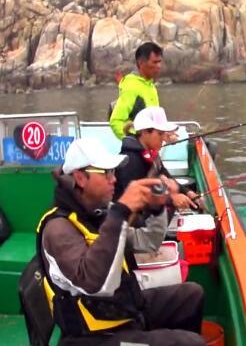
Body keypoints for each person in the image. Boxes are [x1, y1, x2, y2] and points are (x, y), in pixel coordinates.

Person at [37, 138, 206, 345]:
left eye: (114, 172)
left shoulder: (97, 215)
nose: (114, 179)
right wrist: (120, 212)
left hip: (123, 310)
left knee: (191, 295)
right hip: (94, 336)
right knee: (191, 343)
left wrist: (156, 209)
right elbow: (94, 284)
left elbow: (148, 243)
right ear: (81, 178)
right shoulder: (58, 230)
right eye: (106, 172)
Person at [114, 106, 202, 211]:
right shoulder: (131, 160)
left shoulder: (151, 153)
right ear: (144, 132)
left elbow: (164, 174)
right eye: (160, 133)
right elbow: (135, 198)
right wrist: (172, 199)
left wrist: (187, 192)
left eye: (164, 133)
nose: (164, 138)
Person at [110, 42, 164, 140]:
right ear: (141, 63)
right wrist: (135, 142)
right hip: (139, 151)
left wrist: (166, 135)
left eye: (160, 62)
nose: (159, 66)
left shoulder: (151, 86)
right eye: (155, 62)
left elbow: (154, 124)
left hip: (151, 150)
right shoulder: (131, 86)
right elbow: (116, 121)